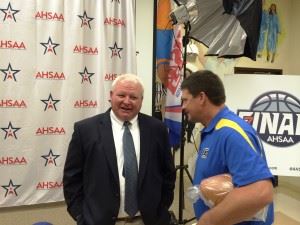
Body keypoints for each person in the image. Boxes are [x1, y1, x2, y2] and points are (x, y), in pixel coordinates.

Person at [63, 74, 176, 225]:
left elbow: (168, 174)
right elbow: (72, 179)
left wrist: (160, 210)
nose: (127, 101)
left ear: (141, 100)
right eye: (121, 95)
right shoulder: (85, 130)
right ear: (111, 96)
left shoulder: (157, 129)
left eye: (133, 97)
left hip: (148, 220)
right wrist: (82, 216)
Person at [181, 70, 274, 225]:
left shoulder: (230, 133)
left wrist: (208, 220)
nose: (183, 107)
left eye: (185, 100)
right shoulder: (214, 129)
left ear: (202, 98)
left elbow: (261, 192)